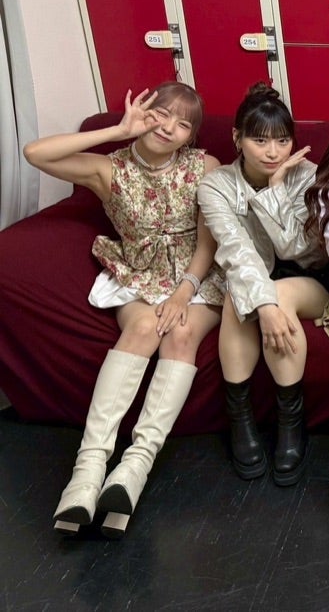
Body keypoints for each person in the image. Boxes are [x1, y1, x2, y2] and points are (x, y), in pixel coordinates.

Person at [24, 84, 224, 538]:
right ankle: (87, 471)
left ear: (191, 137)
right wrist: (117, 131)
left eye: (183, 124)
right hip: (138, 274)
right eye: (160, 114)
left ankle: (135, 466)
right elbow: (34, 153)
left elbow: (209, 241)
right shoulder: (108, 169)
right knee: (143, 329)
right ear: (143, 112)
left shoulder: (204, 166)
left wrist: (183, 292)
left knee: (181, 333)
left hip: (197, 276)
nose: (168, 128)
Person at [197, 83, 329, 487]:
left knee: (273, 294)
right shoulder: (216, 184)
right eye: (259, 140)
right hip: (248, 272)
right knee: (238, 296)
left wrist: (275, 191)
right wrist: (263, 304)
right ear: (237, 138)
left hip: (310, 277)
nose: (273, 152)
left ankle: (291, 424)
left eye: (282, 140)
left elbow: (300, 249)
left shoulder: (307, 175)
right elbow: (236, 251)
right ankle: (241, 420)